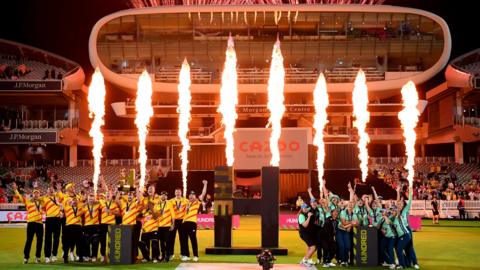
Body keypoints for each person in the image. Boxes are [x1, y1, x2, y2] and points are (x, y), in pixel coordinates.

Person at [13, 183, 44, 264]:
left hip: (40, 223)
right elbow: (20, 197)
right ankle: (26, 257)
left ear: (39, 194)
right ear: (32, 194)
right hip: (31, 223)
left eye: (37, 193)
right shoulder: (28, 201)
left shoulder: (42, 202)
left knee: (40, 241)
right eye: (35, 193)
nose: (36, 194)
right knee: (29, 240)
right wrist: (16, 190)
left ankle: (37, 257)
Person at [181, 180, 208, 262]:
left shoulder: (197, 202)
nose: (191, 196)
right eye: (190, 195)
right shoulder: (186, 202)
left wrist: (205, 184)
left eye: (193, 195)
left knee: (193, 239)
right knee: (184, 240)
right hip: (184, 223)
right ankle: (186, 255)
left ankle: (196, 255)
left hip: (192, 223)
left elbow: (203, 194)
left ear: (195, 196)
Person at [61, 190, 85, 263]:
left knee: (79, 243)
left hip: (78, 227)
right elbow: (63, 203)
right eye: (73, 201)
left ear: (77, 202)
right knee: (67, 243)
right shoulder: (67, 208)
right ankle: (65, 258)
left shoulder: (81, 208)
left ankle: (80, 257)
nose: (74, 202)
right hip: (69, 226)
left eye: (75, 201)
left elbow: (84, 203)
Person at [168, 187, 189, 260]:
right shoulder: (170, 201)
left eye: (179, 192)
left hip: (182, 221)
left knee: (183, 238)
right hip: (173, 221)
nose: (177, 193)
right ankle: (171, 254)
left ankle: (183, 254)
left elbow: (187, 211)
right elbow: (170, 212)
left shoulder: (186, 201)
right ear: (174, 193)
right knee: (171, 238)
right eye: (176, 192)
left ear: (181, 192)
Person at [42, 186, 62, 263]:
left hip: (57, 219)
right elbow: (43, 208)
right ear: (47, 191)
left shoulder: (58, 197)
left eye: (52, 190)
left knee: (56, 238)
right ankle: (47, 256)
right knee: (48, 238)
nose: (50, 191)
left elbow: (62, 203)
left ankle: (54, 255)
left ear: (54, 191)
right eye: (49, 189)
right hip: (49, 219)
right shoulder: (44, 198)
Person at [98, 189, 119, 262]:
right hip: (103, 224)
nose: (107, 195)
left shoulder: (114, 203)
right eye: (106, 194)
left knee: (112, 241)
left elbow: (117, 212)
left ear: (111, 195)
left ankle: (112, 255)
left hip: (112, 223)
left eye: (109, 194)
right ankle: (103, 255)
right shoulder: (102, 202)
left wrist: (110, 211)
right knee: (102, 240)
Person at [337, 200, 358, 267]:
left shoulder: (354, 213)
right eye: (349, 204)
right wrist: (352, 223)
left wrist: (350, 225)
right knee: (342, 246)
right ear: (347, 205)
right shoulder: (343, 212)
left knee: (348, 246)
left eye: (352, 204)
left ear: (353, 206)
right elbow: (343, 222)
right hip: (340, 230)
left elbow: (357, 223)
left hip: (346, 231)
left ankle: (345, 260)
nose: (350, 205)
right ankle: (342, 261)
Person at [83, 193, 101, 262]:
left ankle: (94, 256)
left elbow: (103, 203)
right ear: (87, 199)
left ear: (94, 199)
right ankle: (87, 256)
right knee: (86, 242)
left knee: (95, 242)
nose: (91, 200)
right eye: (89, 199)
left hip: (95, 226)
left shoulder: (97, 205)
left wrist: (98, 201)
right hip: (87, 226)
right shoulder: (84, 206)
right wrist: (85, 203)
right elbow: (79, 207)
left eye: (92, 198)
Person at [157, 191, 175, 262]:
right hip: (159, 226)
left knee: (167, 241)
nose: (163, 196)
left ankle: (167, 255)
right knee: (161, 242)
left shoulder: (169, 203)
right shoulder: (157, 204)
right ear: (160, 196)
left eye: (165, 195)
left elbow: (173, 215)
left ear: (166, 197)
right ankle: (163, 255)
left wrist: (173, 224)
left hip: (167, 226)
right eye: (162, 195)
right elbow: (155, 214)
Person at [298, 203, 316, 267]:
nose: (306, 209)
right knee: (313, 247)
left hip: (308, 233)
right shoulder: (301, 215)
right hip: (303, 233)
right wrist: (308, 217)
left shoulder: (307, 213)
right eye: (304, 208)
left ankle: (305, 260)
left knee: (310, 247)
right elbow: (305, 225)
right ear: (302, 209)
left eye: (306, 208)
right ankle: (304, 260)